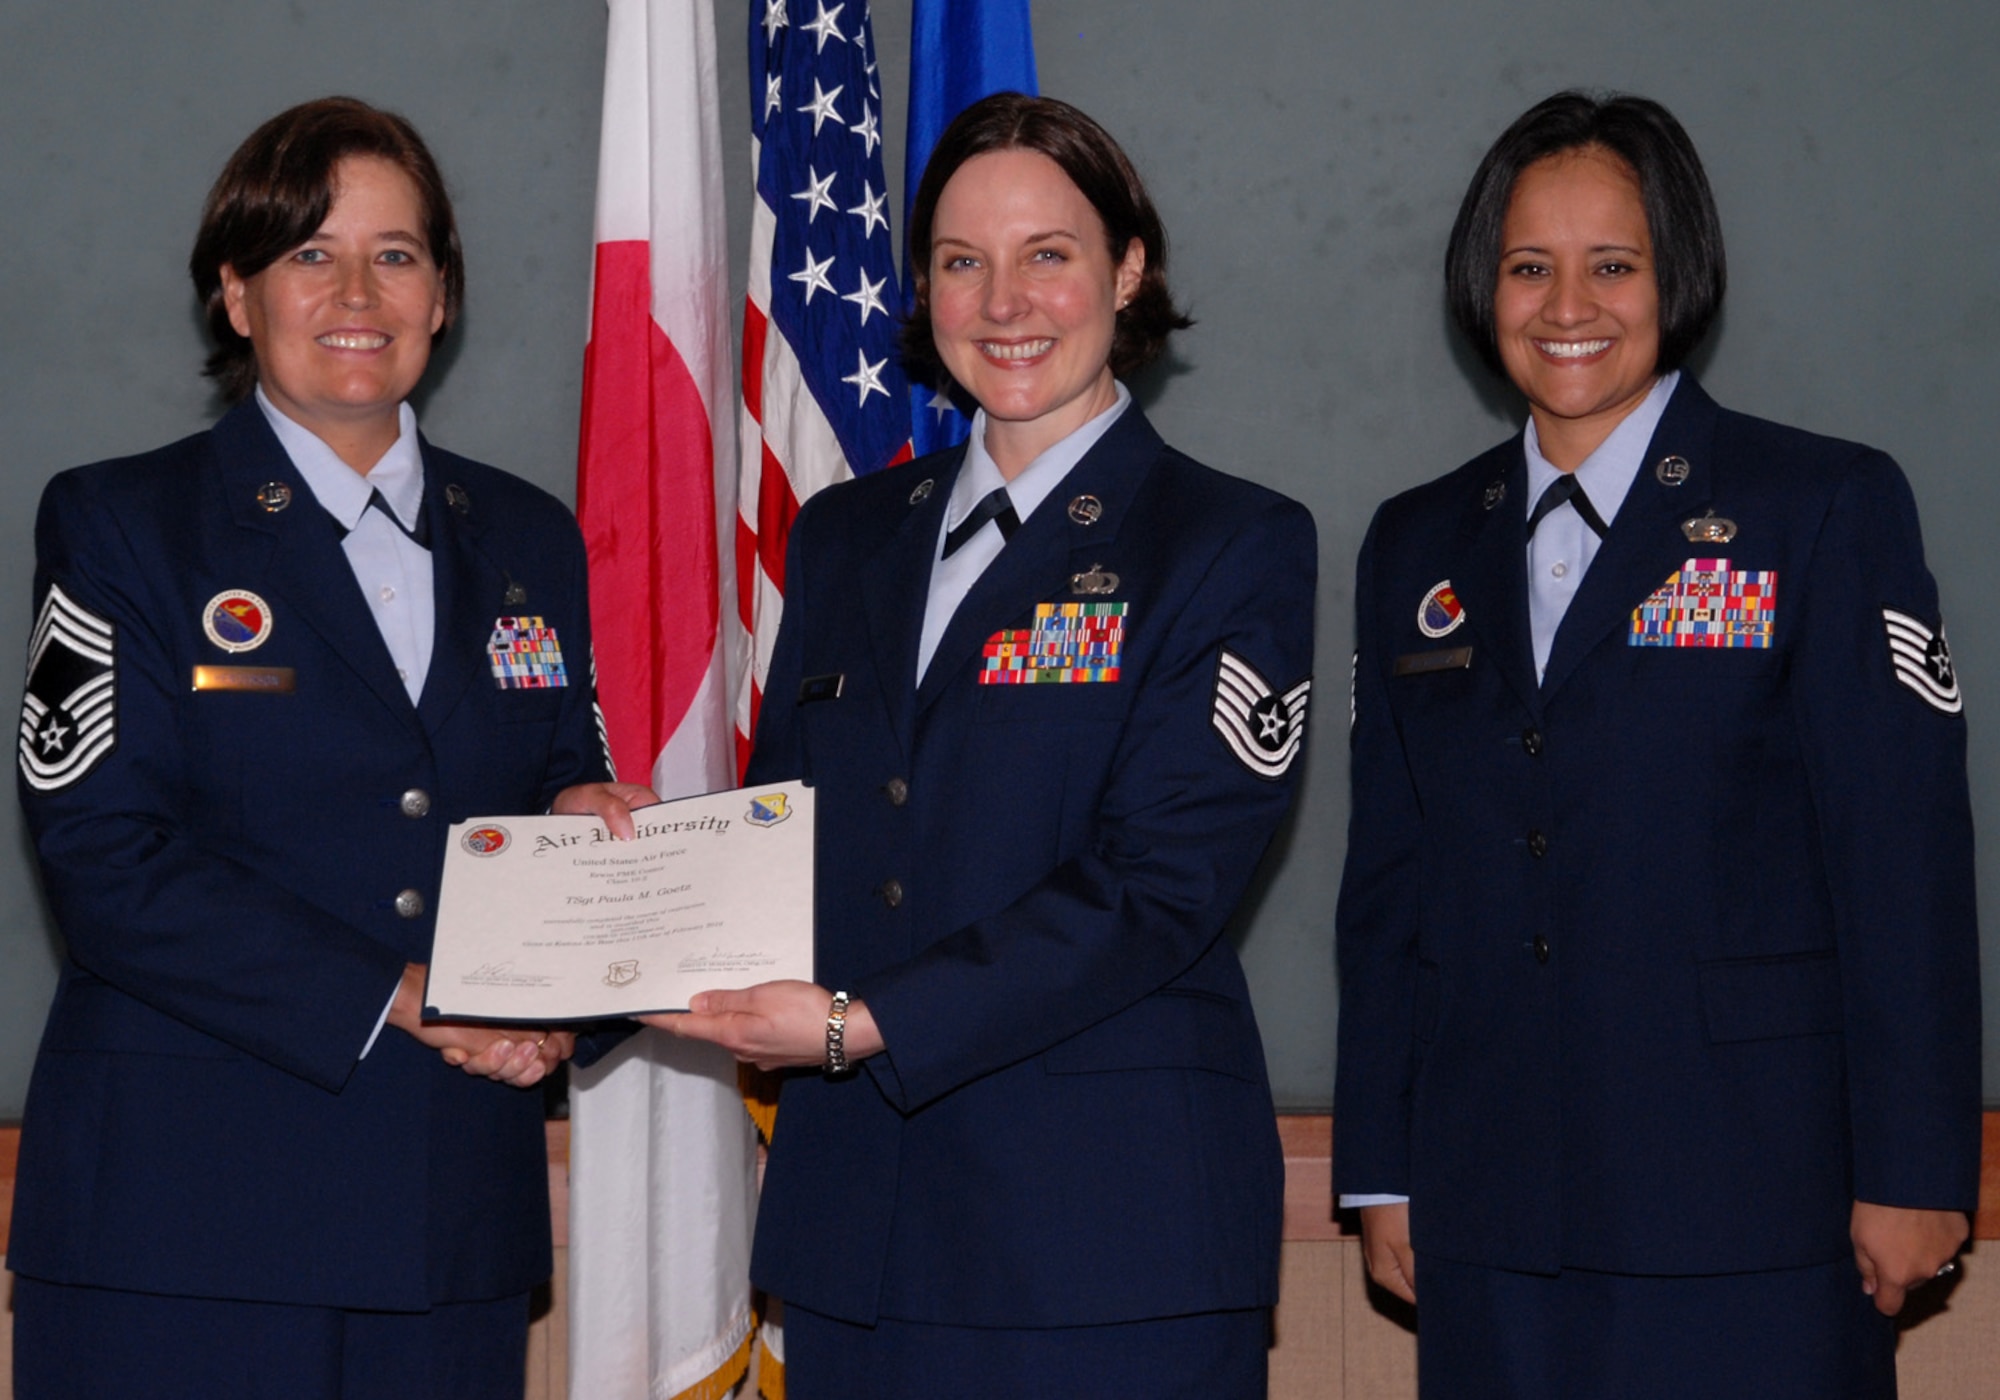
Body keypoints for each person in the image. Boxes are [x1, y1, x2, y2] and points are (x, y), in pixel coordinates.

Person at [655, 92, 1316, 1397]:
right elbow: (784, 831)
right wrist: (621, 888)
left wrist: (862, 1024)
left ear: (1127, 271)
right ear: (924, 290)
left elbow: (1159, 885)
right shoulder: (846, 536)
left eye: (1047, 254)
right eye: (963, 261)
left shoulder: (1227, 543)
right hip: (862, 1238)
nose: (1004, 302)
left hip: (1109, 1240)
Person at [1333, 90, 1981, 1399]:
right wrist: (1383, 1166)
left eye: (1612, 265)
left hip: (1757, 1208)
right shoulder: (1416, 541)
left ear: (1675, 275)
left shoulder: (1821, 506)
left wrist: (1917, 1169)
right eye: (1530, 266)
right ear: (1483, 287)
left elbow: (1901, 862)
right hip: (1489, 1211)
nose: (1567, 304)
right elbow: (1390, 885)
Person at [10, 97, 648, 1398]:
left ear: (442, 296)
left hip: (447, 1225)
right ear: (236, 296)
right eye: (310, 253)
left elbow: (554, 776)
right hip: (183, 1227)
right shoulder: (123, 523)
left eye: (396, 254)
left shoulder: (527, 538)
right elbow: (104, 858)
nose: (358, 293)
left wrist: (570, 934)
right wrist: (408, 993)